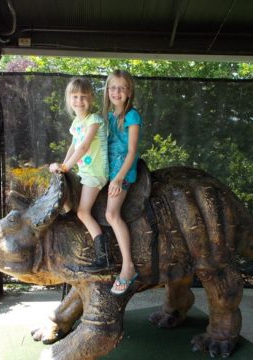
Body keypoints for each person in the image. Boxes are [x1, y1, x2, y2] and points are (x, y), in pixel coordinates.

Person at [49, 77, 110, 272]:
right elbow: (74, 145)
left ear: (90, 98)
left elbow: (83, 147)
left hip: (96, 172)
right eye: (75, 96)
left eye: (83, 96)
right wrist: (63, 165)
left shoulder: (94, 120)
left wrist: (66, 167)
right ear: (68, 99)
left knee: (83, 211)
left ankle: (104, 257)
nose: (79, 100)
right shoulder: (76, 122)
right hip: (84, 172)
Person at [103, 70, 142, 295]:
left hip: (122, 173)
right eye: (113, 88)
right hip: (107, 171)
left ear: (129, 92)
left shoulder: (132, 116)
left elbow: (132, 151)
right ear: (108, 91)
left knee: (111, 214)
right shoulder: (107, 116)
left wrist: (118, 178)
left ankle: (128, 267)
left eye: (122, 88)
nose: (117, 92)